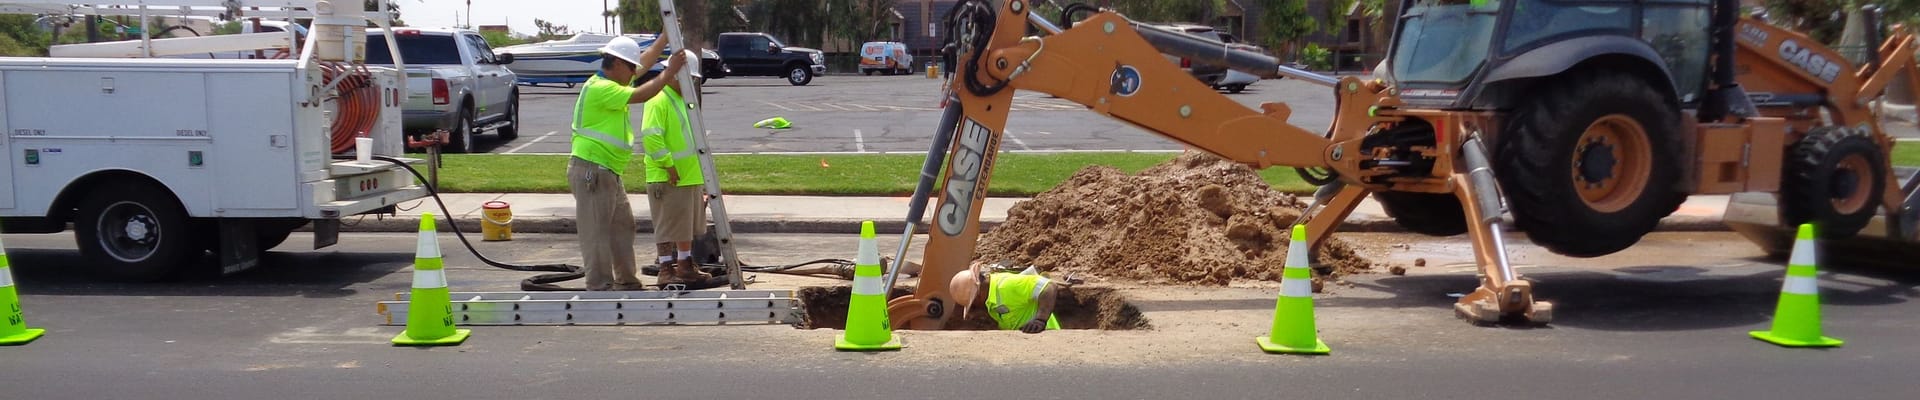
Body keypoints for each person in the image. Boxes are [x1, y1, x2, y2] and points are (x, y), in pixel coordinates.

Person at [567, 34, 688, 291]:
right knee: (596, 233)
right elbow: (642, 94)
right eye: (631, 67)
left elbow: (645, 61)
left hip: (607, 170)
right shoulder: (601, 88)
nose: (635, 72)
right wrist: (669, 72)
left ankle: (626, 281)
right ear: (618, 63)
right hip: (592, 170)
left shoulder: (614, 81)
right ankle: (599, 287)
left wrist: (664, 37)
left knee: (622, 227)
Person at [640, 49, 714, 288]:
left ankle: (684, 265)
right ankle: (665, 268)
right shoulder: (658, 99)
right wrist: (668, 166)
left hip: (688, 176)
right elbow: (651, 137)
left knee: (685, 226)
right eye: (689, 78)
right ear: (674, 75)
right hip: (667, 176)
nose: (691, 83)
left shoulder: (683, 101)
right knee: (667, 225)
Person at [948, 261, 1068, 333]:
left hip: (1047, 336)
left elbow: (1049, 286)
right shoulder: (991, 299)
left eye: (973, 304)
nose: (976, 307)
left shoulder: (1007, 285)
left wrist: (1040, 320)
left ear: (978, 295)